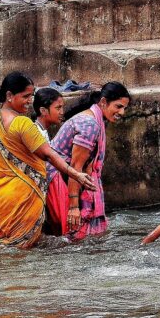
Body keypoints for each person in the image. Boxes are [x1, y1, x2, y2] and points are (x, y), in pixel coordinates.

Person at [0, 72, 94, 248]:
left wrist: (9, 162)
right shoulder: (22, 123)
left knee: (2, 245)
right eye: (25, 96)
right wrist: (75, 174)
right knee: (21, 249)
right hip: (23, 193)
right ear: (9, 96)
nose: (30, 100)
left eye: (31, 95)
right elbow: (47, 154)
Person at [45, 82, 131, 239]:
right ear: (103, 102)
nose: (122, 112)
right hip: (58, 179)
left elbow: (88, 165)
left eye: (125, 108)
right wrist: (74, 207)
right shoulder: (90, 124)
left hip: (66, 178)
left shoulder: (96, 120)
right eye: (118, 106)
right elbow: (76, 167)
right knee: (73, 236)